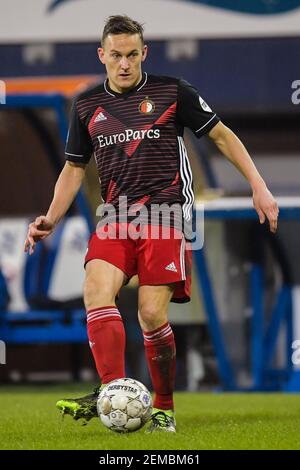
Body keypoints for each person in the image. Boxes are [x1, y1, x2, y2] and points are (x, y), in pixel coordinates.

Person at [24, 15, 279, 433]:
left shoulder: (173, 92)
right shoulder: (86, 104)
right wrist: (50, 217)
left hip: (165, 215)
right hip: (115, 217)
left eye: (132, 55)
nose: (124, 64)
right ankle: (112, 395)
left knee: (149, 316)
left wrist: (259, 186)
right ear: (102, 55)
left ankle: (163, 406)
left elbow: (221, 136)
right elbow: (73, 170)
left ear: (144, 53)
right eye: (116, 56)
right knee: (96, 292)